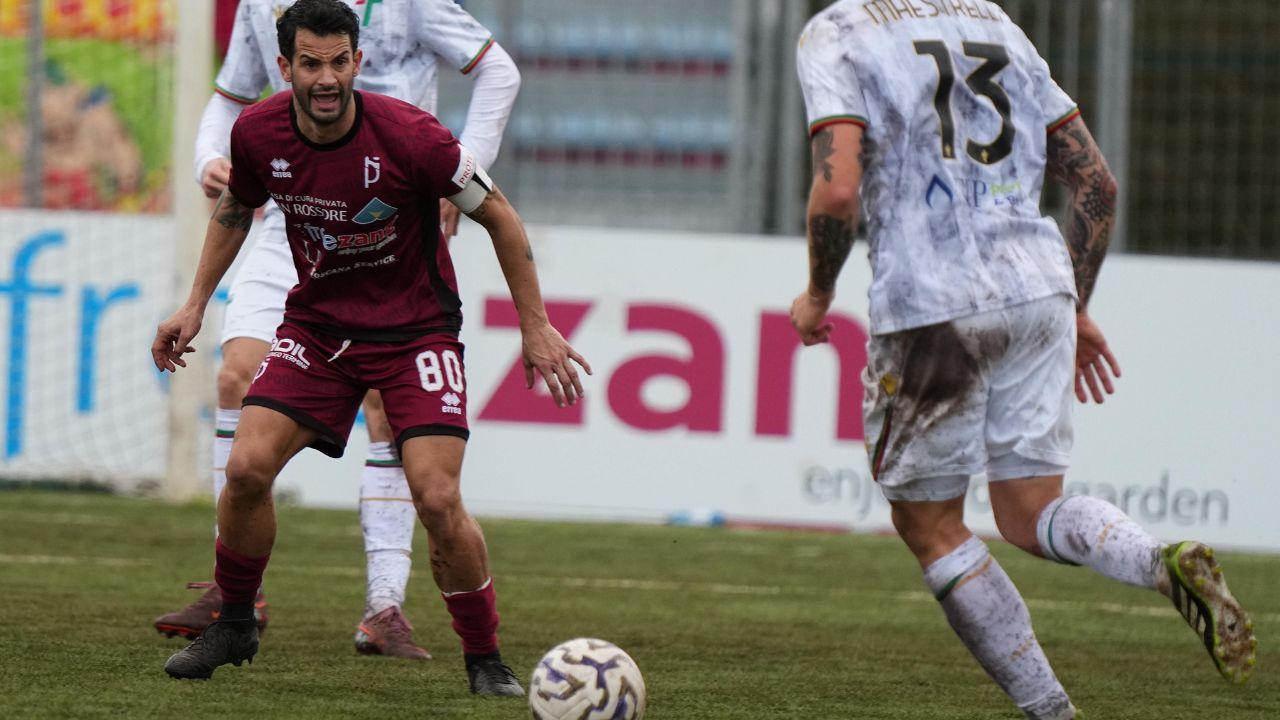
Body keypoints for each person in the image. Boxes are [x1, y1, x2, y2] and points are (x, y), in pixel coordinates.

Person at [789, 2, 1256, 718]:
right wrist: (1076, 304)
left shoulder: (839, 30)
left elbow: (840, 184)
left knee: (931, 525)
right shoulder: (994, 20)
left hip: (931, 300)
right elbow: (1097, 183)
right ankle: (1156, 561)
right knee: (1030, 510)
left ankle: (1052, 712)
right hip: (1038, 285)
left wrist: (819, 292)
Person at [152, 0, 587, 695]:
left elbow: (499, 215)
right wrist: (195, 303)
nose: (326, 79)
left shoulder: (415, 137)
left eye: (338, 62)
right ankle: (234, 621)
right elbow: (236, 207)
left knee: (438, 497)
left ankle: (485, 659)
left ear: (358, 62)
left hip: (416, 333)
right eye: (310, 64)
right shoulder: (259, 132)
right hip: (319, 331)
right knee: (245, 468)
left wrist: (534, 327)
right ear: (285, 66)